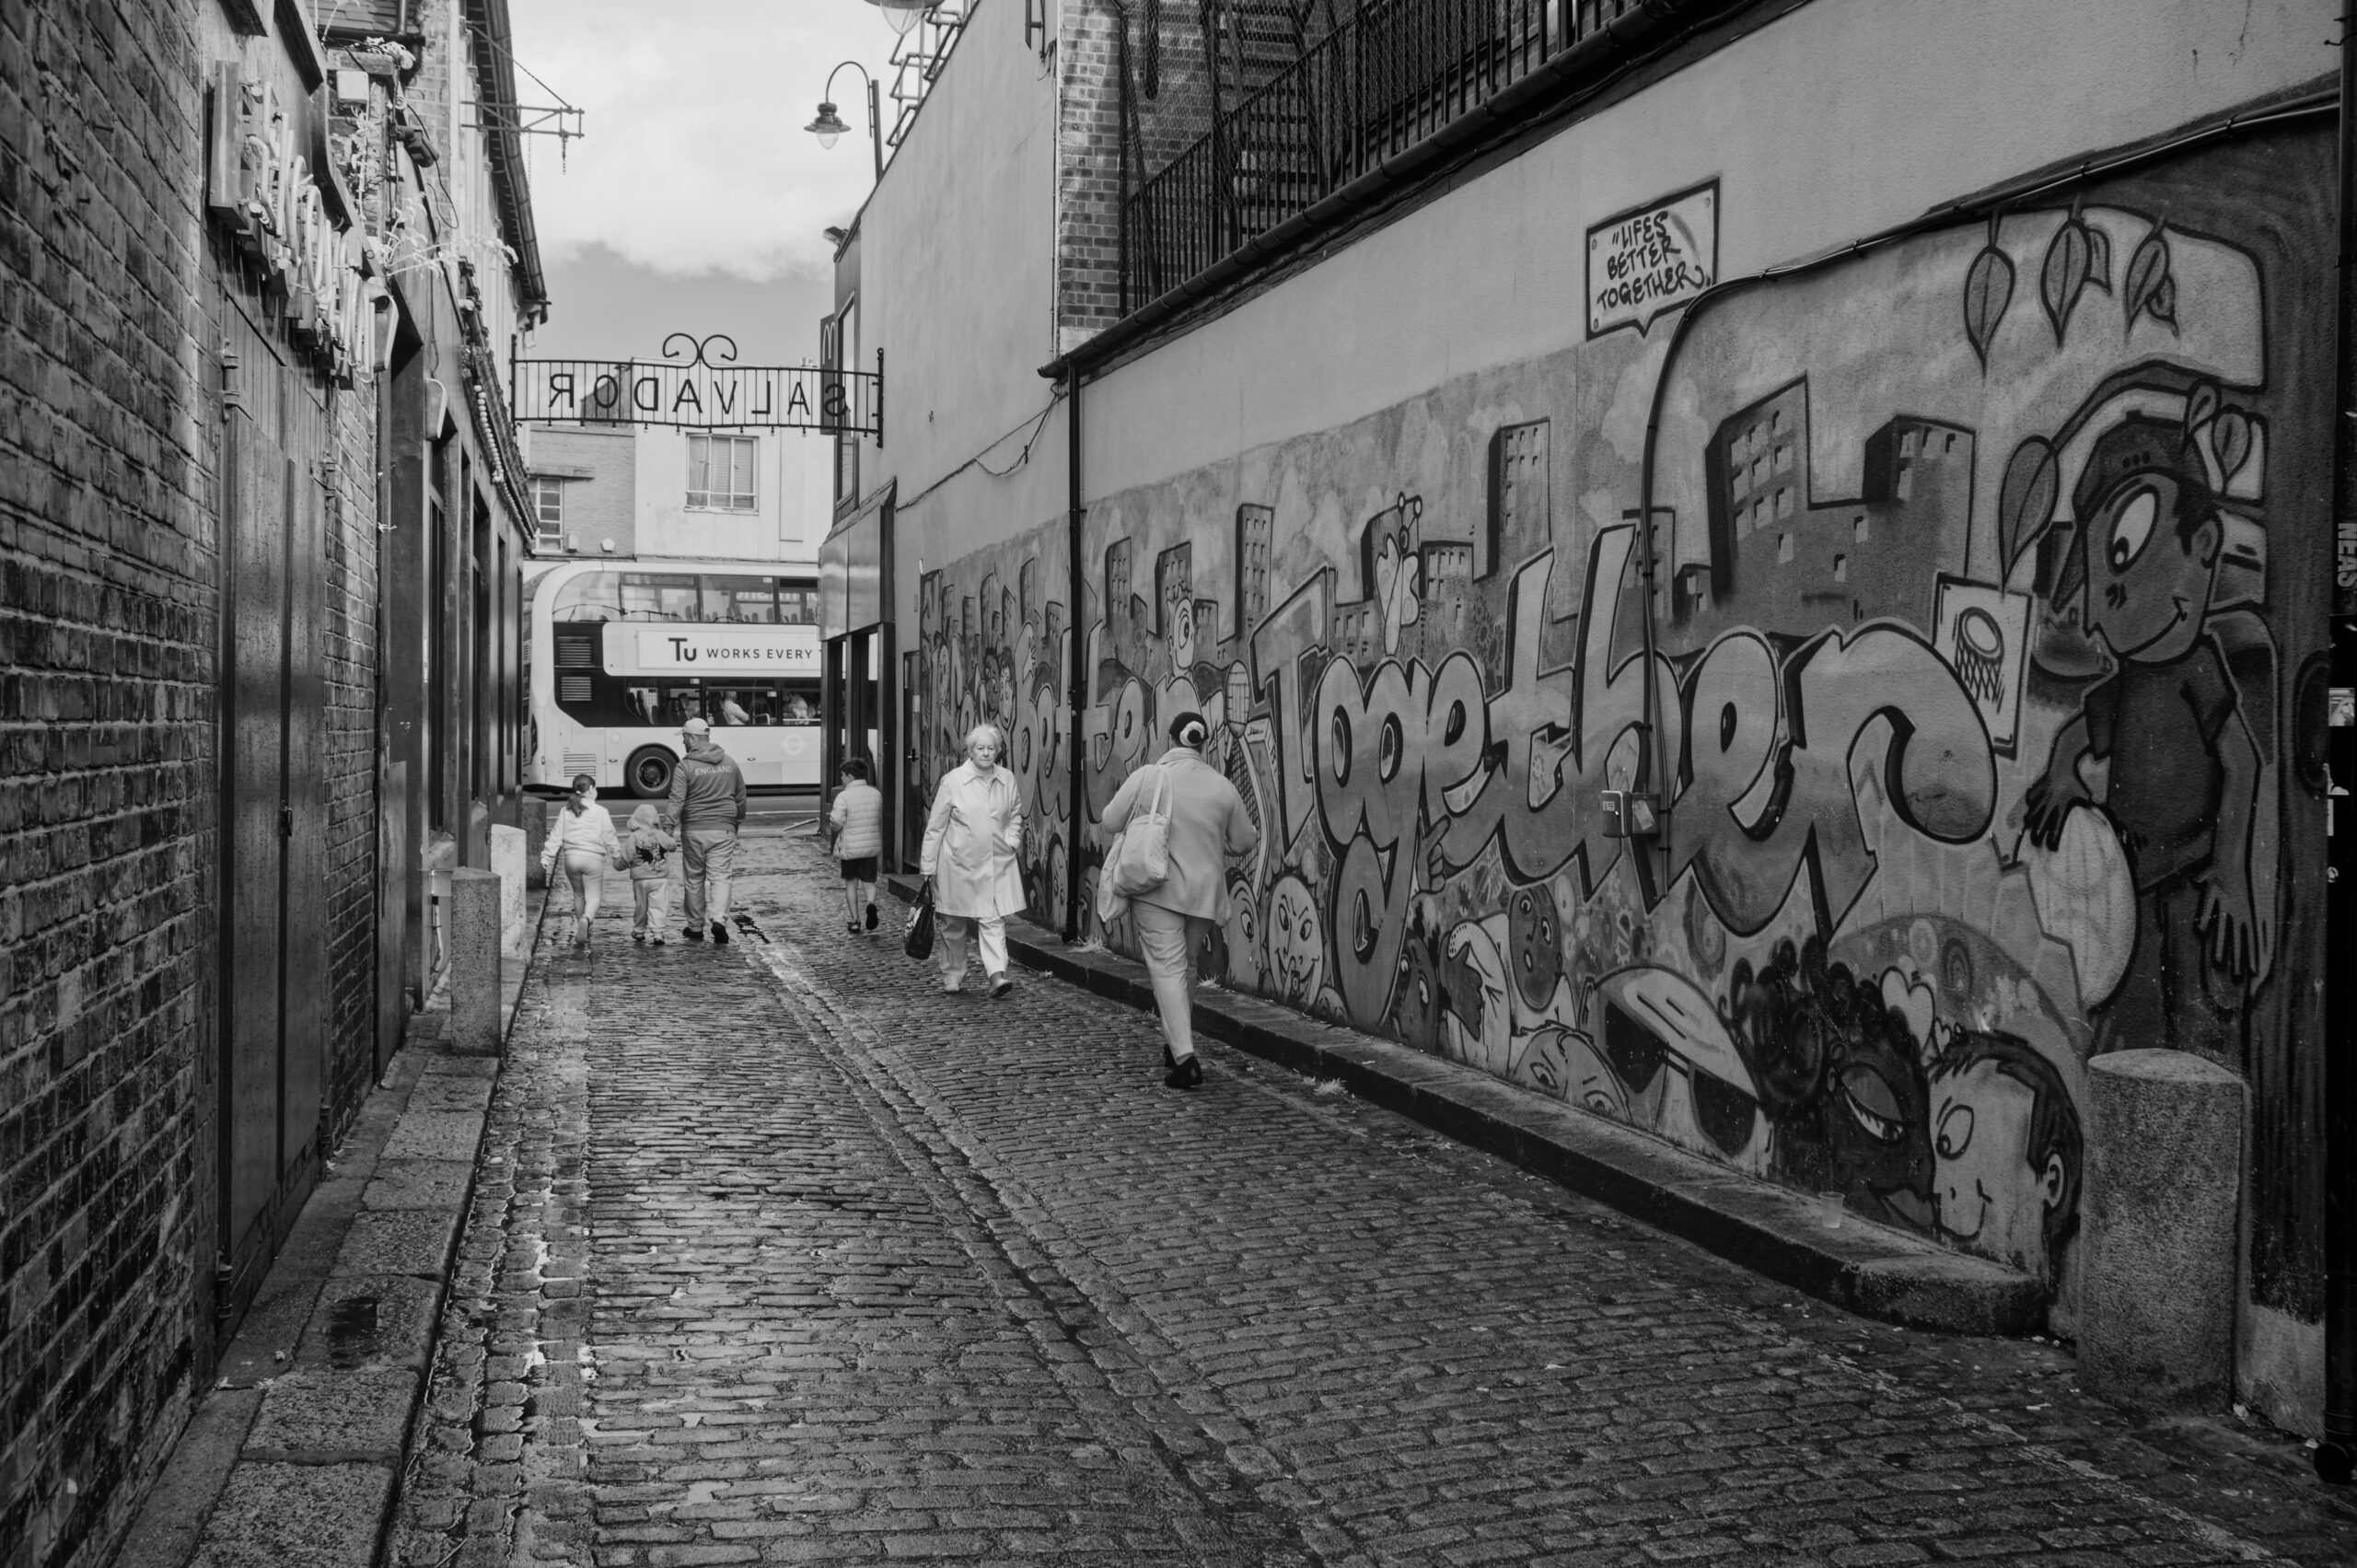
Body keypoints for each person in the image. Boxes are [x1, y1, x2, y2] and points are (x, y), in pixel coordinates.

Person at [1098, 711, 1260, 1088]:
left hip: (1158, 889)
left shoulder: (1149, 777)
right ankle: (1175, 1045)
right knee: (1185, 967)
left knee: (1167, 969)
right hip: (1204, 894)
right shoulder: (1222, 786)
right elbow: (1245, 840)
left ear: (1171, 740)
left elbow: (1109, 820)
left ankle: (1186, 1059)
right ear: (1203, 744)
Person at [920, 723, 1025, 997]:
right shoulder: (953, 780)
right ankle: (953, 975)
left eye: (991, 748)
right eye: (980, 748)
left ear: (998, 751)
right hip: (957, 864)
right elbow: (936, 826)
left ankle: (997, 977)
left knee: (992, 920)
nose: (986, 753)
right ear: (970, 751)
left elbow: (1015, 814)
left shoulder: (1007, 779)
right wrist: (928, 867)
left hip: (995, 863)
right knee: (953, 923)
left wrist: (1012, 841)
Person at [668, 715, 746, 943]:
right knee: (721, 876)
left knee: (694, 878)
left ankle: (694, 927)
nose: (682, 742)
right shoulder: (730, 762)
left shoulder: (685, 766)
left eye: (684, 737)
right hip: (724, 828)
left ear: (692, 737)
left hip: (694, 829)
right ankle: (719, 919)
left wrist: (668, 828)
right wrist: (736, 821)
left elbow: (676, 800)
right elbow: (740, 796)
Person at [540, 773, 622, 952]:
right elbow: (609, 836)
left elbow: (555, 836)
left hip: (571, 858)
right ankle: (586, 919)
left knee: (578, 895)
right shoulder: (601, 811)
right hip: (593, 858)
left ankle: (581, 926)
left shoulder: (566, 810)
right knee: (593, 896)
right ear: (591, 789)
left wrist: (546, 857)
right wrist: (616, 855)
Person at [828, 758, 884, 935]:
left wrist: (837, 828)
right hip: (870, 845)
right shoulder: (875, 793)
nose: (842, 779)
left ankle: (855, 920)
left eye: (843, 776)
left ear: (850, 777)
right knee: (869, 881)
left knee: (851, 883)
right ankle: (871, 904)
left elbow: (836, 821)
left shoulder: (844, 796)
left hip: (851, 846)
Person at [623, 803, 678, 945]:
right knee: (658, 905)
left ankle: (639, 930)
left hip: (640, 879)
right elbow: (672, 846)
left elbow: (628, 856)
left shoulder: (634, 837)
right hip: (659, 878)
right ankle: (658, 932)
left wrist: (620, 865)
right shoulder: (660, 834)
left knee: (641, 905)